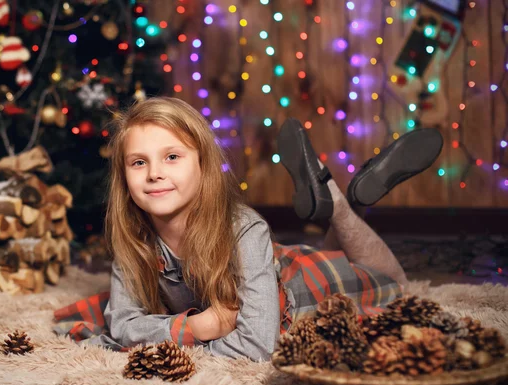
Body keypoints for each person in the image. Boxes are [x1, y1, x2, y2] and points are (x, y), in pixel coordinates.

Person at [53, 97, 443, 362]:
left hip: (300, 287)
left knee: (394, 284)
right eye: (138, 163)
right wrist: (198, 326)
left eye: (172, 157)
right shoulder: (133, 238)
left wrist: (171, 342)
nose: (155, 173)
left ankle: (339, 204)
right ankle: (337, 198)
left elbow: (258, 345)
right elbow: (122, 325)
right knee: (335, 254)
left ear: (204, 166)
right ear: (123, 176)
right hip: (266, 266)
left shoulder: (244, 229)